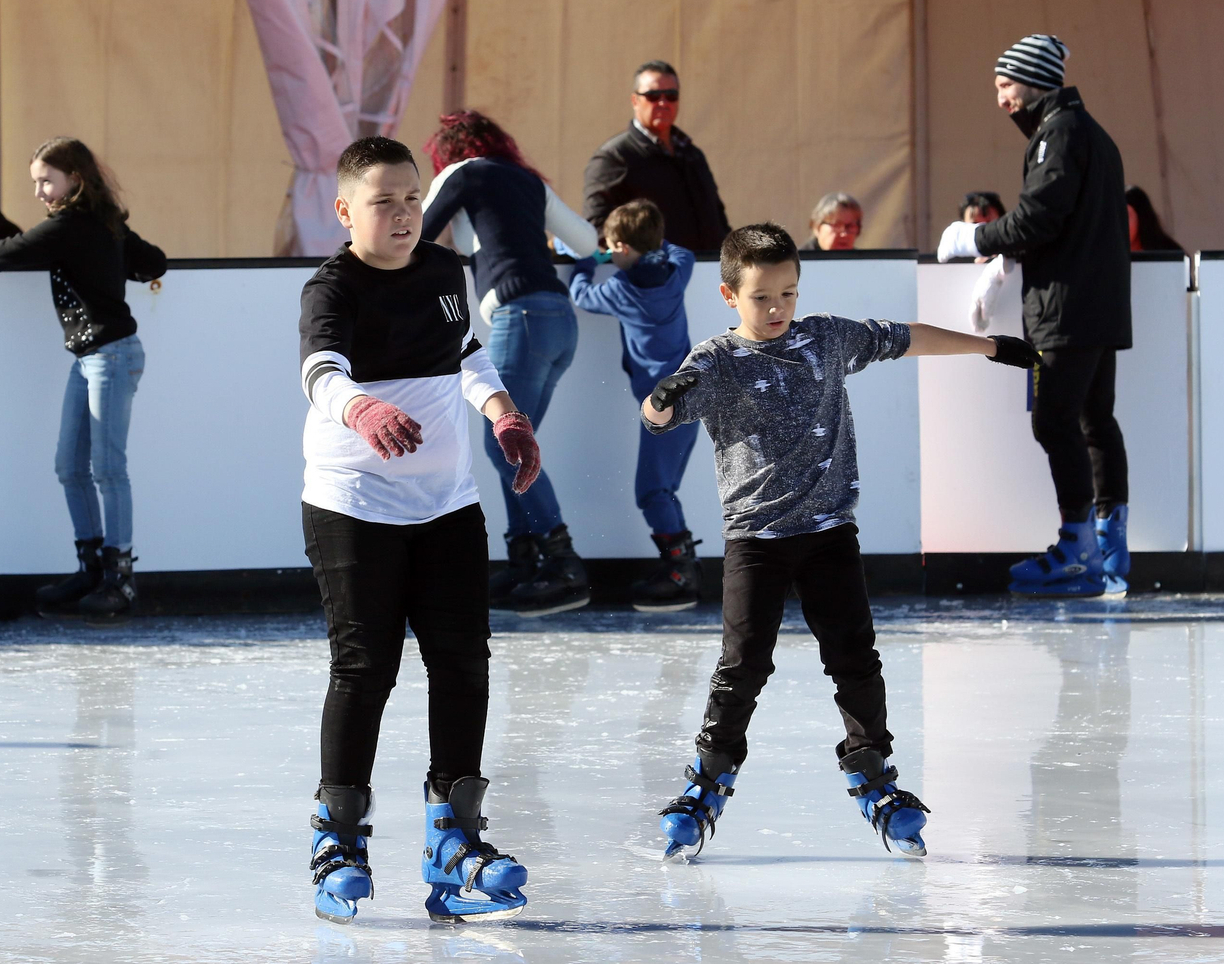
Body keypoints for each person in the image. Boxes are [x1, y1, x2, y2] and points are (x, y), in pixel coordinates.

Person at [642, 223, 1038, 861]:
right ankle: (709, 778)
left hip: (829, 533)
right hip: (757, 540)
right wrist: (662, 399)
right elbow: (654, 419)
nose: (777, 310)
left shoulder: (824, 338)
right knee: (743, 664)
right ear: (727, 296)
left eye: (788, 294)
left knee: (855, 656)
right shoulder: (715, 362)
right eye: (761, 298)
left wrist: (989, 346)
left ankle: (872, 769)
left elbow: (906, 338)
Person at [299, 136, 539, 925]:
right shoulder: (330, 286)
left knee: (464, 663)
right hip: (354, 506)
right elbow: (321, 373)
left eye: (412, 198)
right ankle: (338, 838)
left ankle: (454, 837)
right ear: (344, 211)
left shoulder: (447, 270)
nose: (404, 214)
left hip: (447, 504)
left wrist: (501, 411)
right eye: (383, 201)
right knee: (366, 666)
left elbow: (465, 351)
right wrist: (360, 406)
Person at [0, 138, 167, 622]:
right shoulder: (99, 224)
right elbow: (152, 262)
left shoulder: (75, 225)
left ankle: (119, 580)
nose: (39, 191)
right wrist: (123, 257)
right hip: (89, 357)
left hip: (112, 355)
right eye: (35, 181)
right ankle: (90, 568)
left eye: (46, 180)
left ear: (74, 180)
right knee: (69, 466)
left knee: (107, 467)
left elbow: (7, 251)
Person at [936, 34, 1132, 597]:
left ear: (1034, 80)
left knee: (1053, 421)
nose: (1001, 99)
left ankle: (1078, 552)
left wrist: (970, 236)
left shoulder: (1061, 133)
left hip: (1066, 310)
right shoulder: (1089, 132)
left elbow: (1037, 219)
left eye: (1005, 85)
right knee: (1095, 421)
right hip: (1097, 306)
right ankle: (1107, 545)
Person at [421, 111, 600, 617]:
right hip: (560, 321)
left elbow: (414, 233)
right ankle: (527, 563)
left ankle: (563, 565)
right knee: (517, 445)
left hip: (518, 319)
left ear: (449, 151)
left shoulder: (462, 173)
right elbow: (586, 243)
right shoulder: (525, 180)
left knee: (504, 446)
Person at [569, 199, 700, 612]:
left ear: (622, 249)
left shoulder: (621, 290)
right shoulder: (676, 275)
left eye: (611, 246)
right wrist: (654, 244)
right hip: (693, 400)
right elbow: (685, 253)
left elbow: (580, 294)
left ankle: (681, 574)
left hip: (663, 408)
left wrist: (588, 257)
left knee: (651, 490)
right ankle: (680, 568)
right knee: (665, 488)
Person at [583, 61, 730, 251]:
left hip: (707, 270)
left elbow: (717, 217)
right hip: (657, 276)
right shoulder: (614, 157)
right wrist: (645, 259)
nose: (663, 103)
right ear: (635, 101)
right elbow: (597, 224)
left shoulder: (692, 154)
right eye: (653, 96)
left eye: (671, 96)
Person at [958, 191, 1014, 334]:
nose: (984, 233)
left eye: (990, 225)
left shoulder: (1018, 254)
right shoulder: (952, 262)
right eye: (976, 225)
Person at [1124, 186, 1182, 252]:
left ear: (1142, 218)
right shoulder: (1112, 253)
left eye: (1125, 216)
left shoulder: (1169, 252)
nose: (1119, 225)